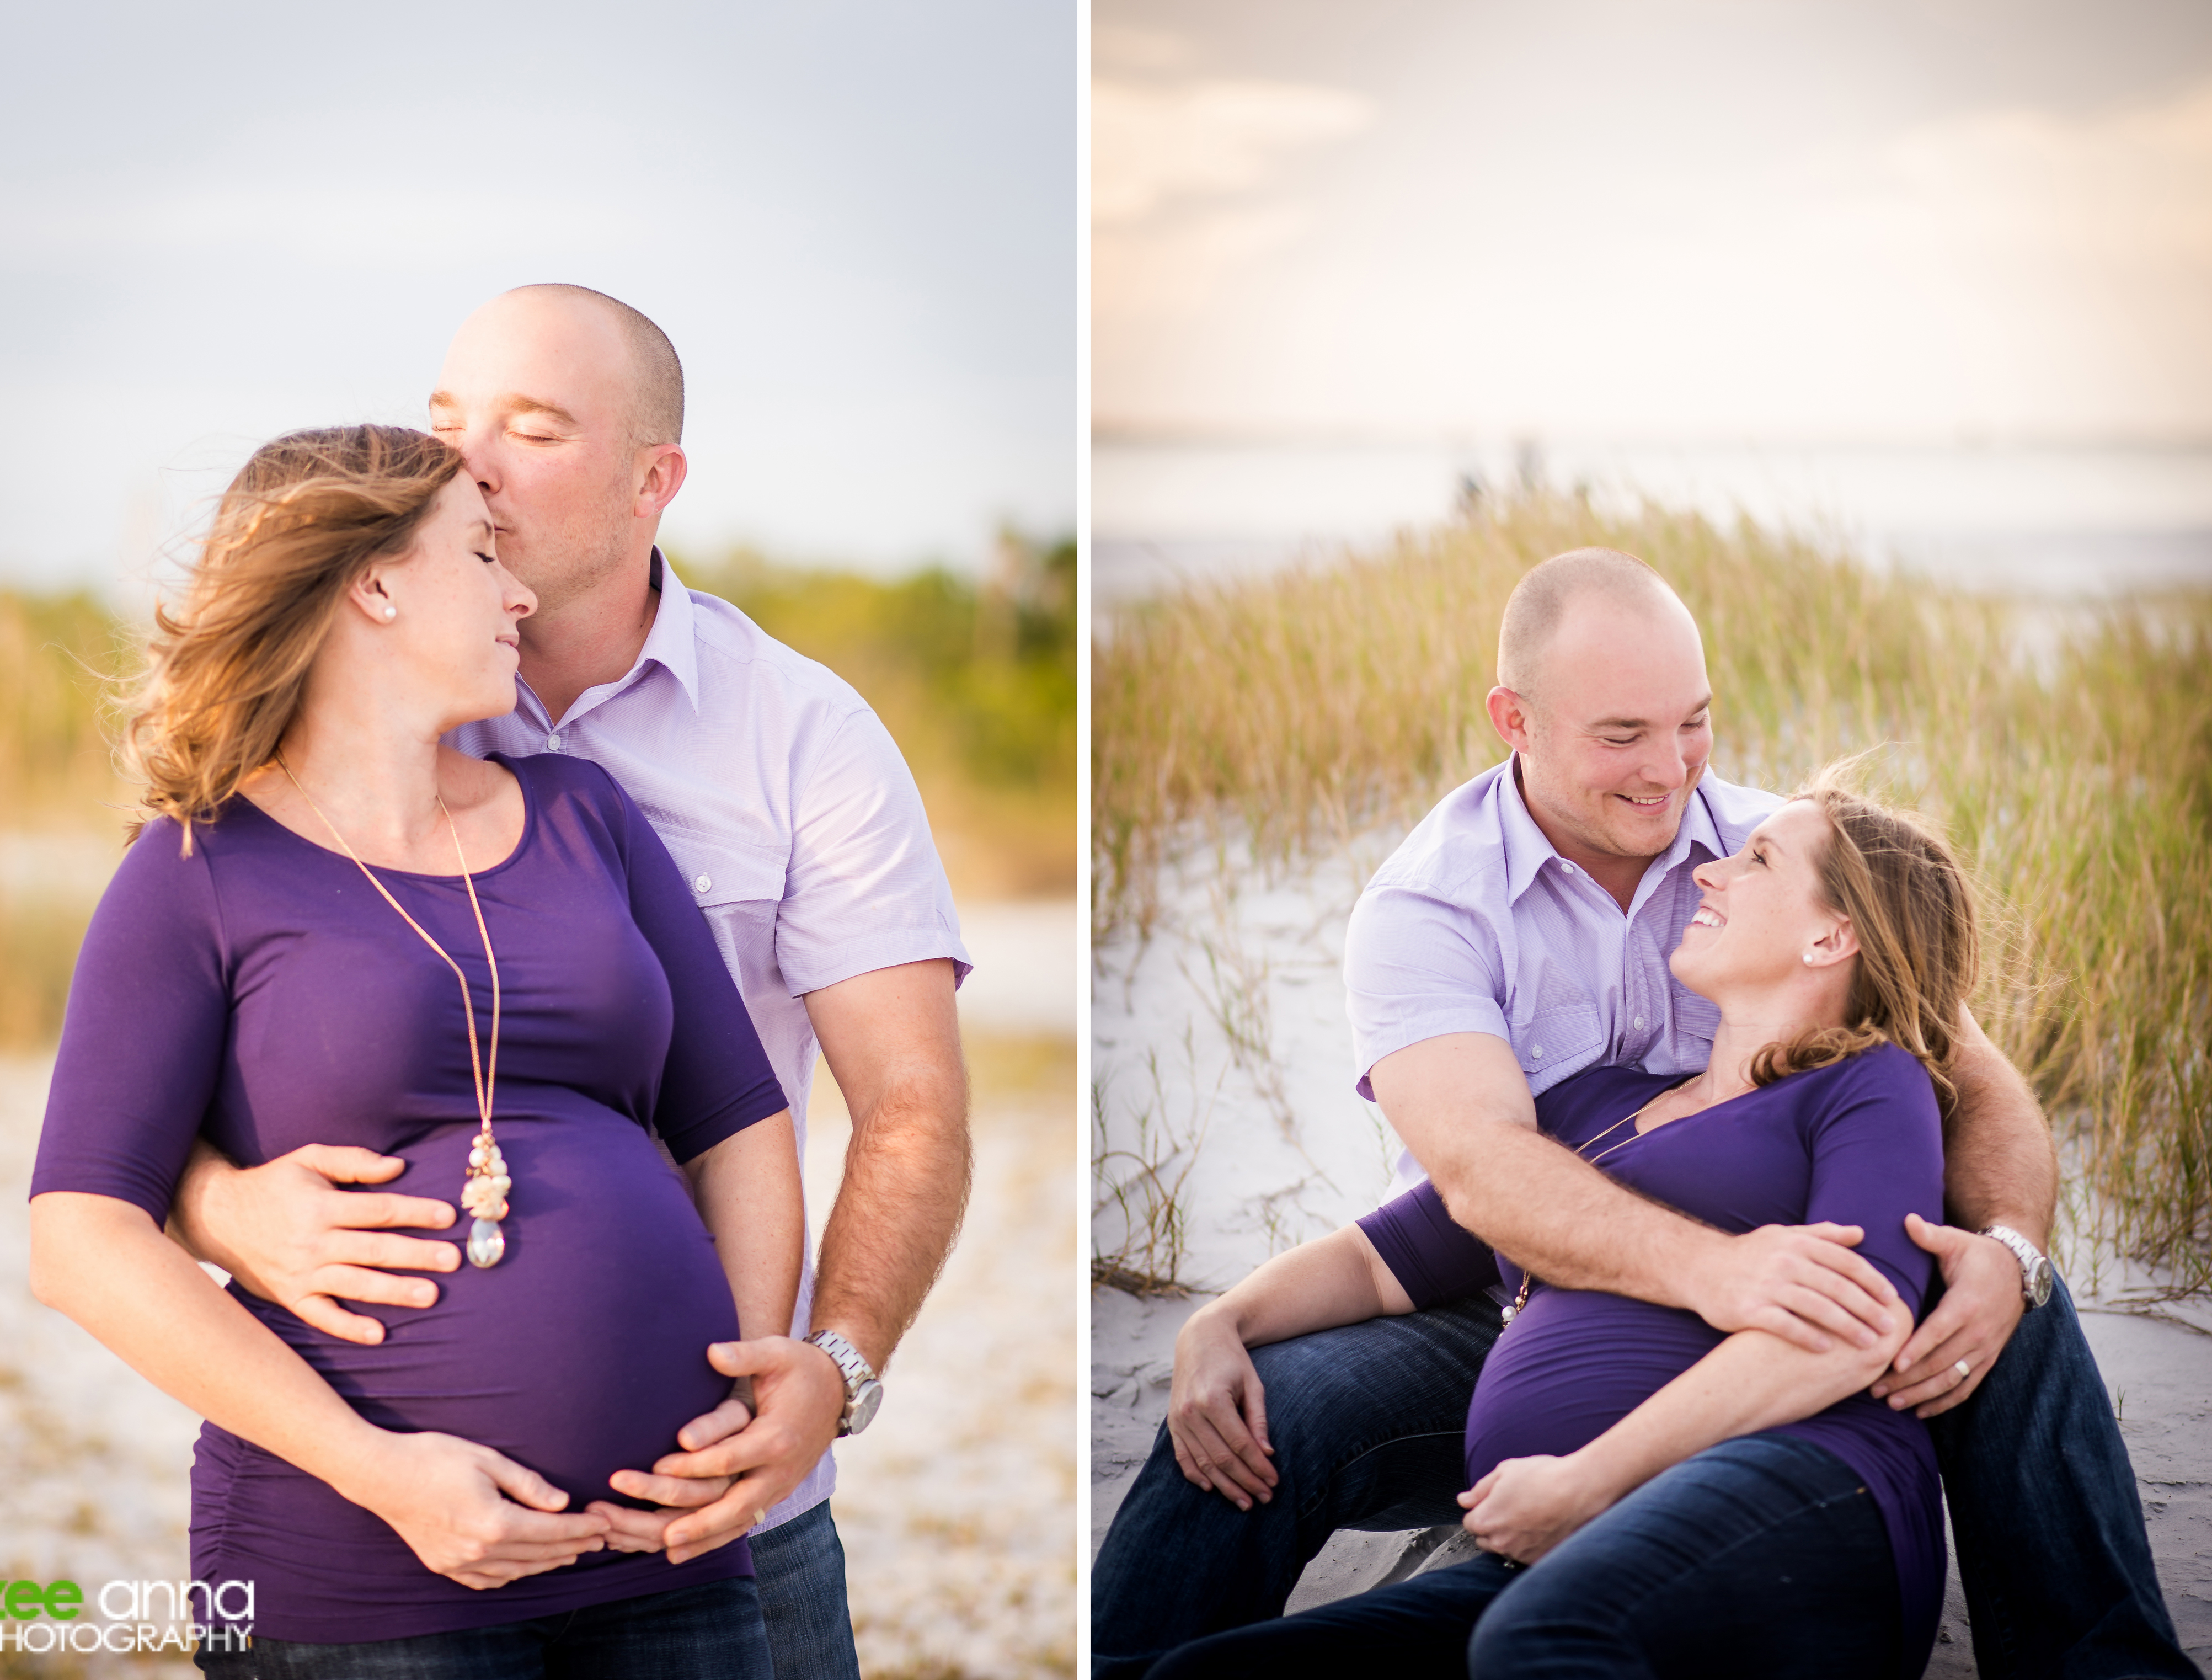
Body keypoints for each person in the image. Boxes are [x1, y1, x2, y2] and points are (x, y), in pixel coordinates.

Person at [1092, 550, 2194, 1679]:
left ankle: (2103, 1660)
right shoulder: (1428, 906)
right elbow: (1473, 1183)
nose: (1670, 773)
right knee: (1263, 1399)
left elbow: (1970, 1080)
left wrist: (2009, 1247)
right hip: (1511, 1296)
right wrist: (1215, 1317)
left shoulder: (1793, 864)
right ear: (1511, 718)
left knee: (1999, 1286)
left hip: (1778, 1349)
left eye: (1694, 723)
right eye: (1621, 734)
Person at [159, 287, 974, 1678]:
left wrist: (831, 1370)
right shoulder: (297, 755)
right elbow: (155, 1076)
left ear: (655, 480)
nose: (467, 462)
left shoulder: (800, 736)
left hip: (716, 1498)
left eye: (531, 429)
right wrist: (213, 1197)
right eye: (443, 423)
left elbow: (908, 1106)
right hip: (380, 1509)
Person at [31, 426, 800, 1671]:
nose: (520, 593)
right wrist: (383, 1474)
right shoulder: (198, 866)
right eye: (484, 553)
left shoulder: (581, 816)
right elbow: (79, 1233)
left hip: (674, 1549)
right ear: (373, 582)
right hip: (370, 1576)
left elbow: (738, 1116)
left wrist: (748, 1387)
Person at [1146, 774, 1961, 1676]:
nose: (1711, 874)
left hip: (1790, 1493)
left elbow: (1851, 1331)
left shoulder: (1866, 1086)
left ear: (1831, 935)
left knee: (1539, 1645)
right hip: (1557, 1549)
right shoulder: (1590, 1106)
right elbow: (1381, 1259)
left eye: (1758, 858)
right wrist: (1218, 1322)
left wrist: (1588, 1479)